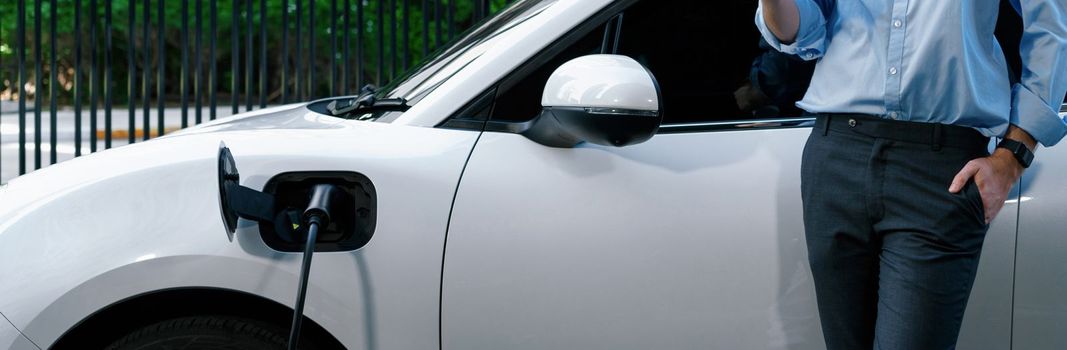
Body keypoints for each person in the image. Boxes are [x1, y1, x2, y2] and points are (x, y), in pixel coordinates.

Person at [755, 0, 1066, 349]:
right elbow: (800, 32)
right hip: (836, 153)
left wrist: (1013, 156)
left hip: (939, 168)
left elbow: (1053, 30)